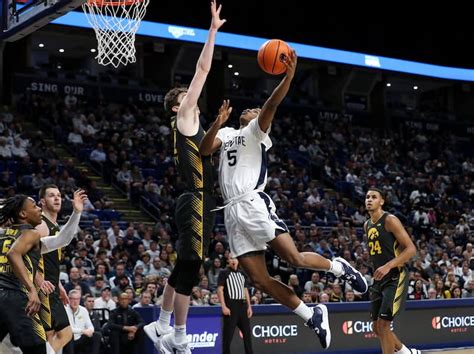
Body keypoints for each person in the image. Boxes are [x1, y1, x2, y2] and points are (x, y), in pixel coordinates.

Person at [199, 49, 368, 350]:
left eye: (253, 110)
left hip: (252, 202)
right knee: (260, 281)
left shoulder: (256, 132)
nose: (250, 110)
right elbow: (203, 148)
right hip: (231, 212)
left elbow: (271, 103)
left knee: (295, 259)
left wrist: (289, 76)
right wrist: (216, 121)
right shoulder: (226, 133)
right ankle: (311, 314)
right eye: (247, 109)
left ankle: (339, 267)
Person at [143, 1, 226, 353]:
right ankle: (173, 332)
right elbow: (203, 68)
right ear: (177, 106)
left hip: (200, 199)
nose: (191, 96)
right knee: (191, 266)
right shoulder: (184, 117)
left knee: (186, 265)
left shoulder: (195, 127)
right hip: (194, 197)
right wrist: (212, 31)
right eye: (185, 96)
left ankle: (166, 328)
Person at [0, 191, 86, 354]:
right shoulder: (31, 234)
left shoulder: (4, 236)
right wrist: (32, 289)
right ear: (23, 214)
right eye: (34, 206)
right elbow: (13, 254)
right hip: (17, 299)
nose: (39, 209)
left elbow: (62, 240)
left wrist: (76, 212)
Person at [365, 188, 420, 354]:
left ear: (381, 201)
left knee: (383, 325)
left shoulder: (390, 220)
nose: (369, 200)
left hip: (395, 276)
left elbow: (411, 249)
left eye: (374, 197)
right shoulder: (366, 224)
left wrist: (388, 265)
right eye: (367, 197)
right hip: (379, 278)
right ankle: (406, 353)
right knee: (376, 327)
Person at [35, 184, 74, 354]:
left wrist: (59, 285)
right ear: (42, 201)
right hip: (43, 289)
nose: (57, 198)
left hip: (53, 287)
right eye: (52, 195)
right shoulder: (40, 225)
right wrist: (39, 281)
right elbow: (28, 257)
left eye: (58, 195)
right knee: (53, 334)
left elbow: (51, 263)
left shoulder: (56, 227)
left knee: (61, 334)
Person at [217, 256, 253, 354]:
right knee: (228, 336)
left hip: (242, 305)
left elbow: (245, 290)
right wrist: (223, 306)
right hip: (230, 306)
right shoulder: (224, 272)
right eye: (231, 259)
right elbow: (220, 290)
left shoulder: (242, 273)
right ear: (228, 261)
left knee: (247, 334)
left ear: (238, 261)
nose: (233, 261)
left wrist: (249, 306)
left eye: (235, 258)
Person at [63, 290, 101, 354]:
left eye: (77, 299)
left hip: (80, 338)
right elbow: (66, 329)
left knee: (97, 335)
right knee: (70, 335)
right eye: (73, 299)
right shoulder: (64, 309)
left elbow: (90, 326)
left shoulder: (83, 310)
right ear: (68, 299)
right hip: (67, 340)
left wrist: (90, 331)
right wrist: (82, 331)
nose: (75, 301)